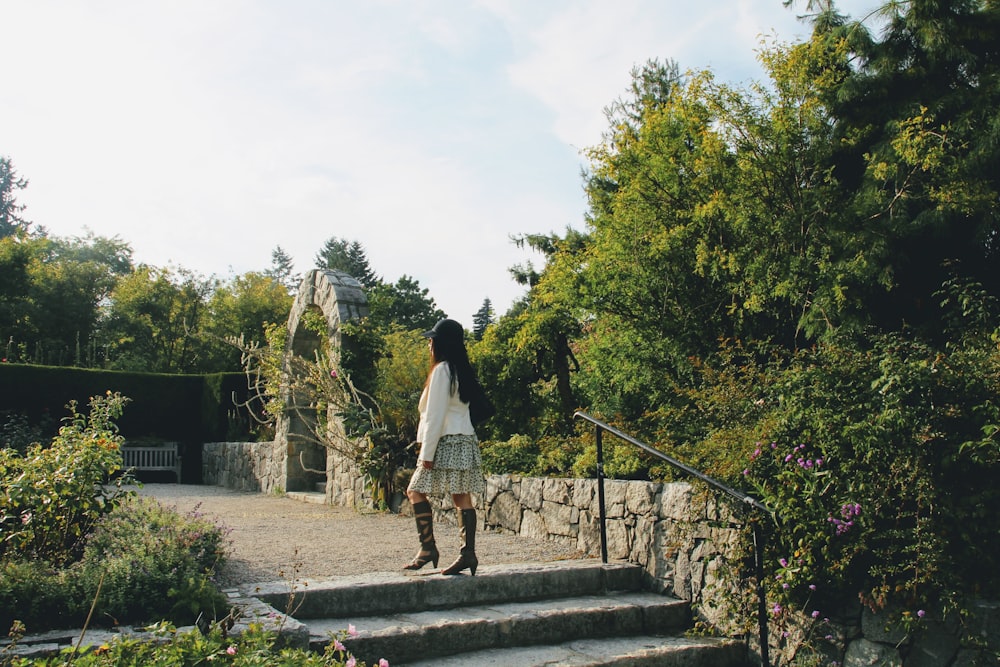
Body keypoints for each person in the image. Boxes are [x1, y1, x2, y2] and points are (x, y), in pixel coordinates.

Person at [403, 318, 486, 576]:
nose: (429, 344)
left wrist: (426, 454)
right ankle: (467, 554)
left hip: (447, 441)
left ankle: (428, 549)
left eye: (432, 339)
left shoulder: (441, 371)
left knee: (414, 491)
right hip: (465, 440)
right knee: (461, 497)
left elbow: (434, 416)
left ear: (441, 343)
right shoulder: (461, 369)